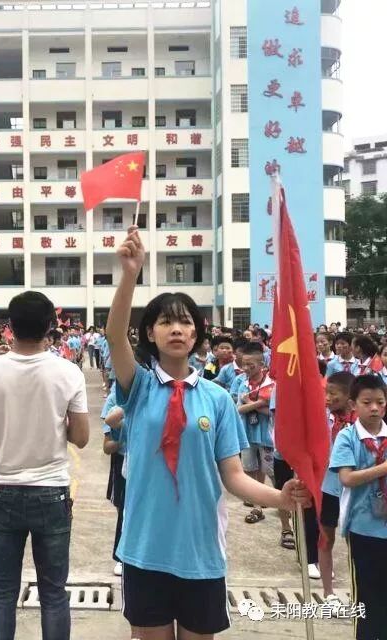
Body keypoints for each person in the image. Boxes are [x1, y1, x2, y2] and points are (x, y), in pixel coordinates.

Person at [105, 226, 310, 639]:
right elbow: (113, 335)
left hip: (201, 552)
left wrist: (279, 497)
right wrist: (130, 274)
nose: (176, 329)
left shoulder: (217, 399)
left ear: (197, 334)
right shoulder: (139, 387)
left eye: (185, 323)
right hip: (145, 550)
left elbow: (233, 476)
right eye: (166, 322)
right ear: (150, 333)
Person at [0, 291, 89, 640]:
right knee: (53, 594)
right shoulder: (67, 372)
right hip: (51, 490)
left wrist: (3, 425)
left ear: (9, 326)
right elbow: (81, 438)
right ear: (51, 327)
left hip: (3, 489)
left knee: (3, 592)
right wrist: (52, 421)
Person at [330, 375, 387, 640]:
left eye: (380, 402)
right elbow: (347, 478)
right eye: (367, 402)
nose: (374, 408)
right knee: (367, 594)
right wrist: (383, 469)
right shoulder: (347, 437)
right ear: (354, 405)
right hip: (363, 529)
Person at [318, 371, 355, 609]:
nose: (328, 398)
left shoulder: (359, 423)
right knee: (326, 538)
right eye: (326, 392)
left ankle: (358, 589)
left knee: (355, 542)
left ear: (349, 396)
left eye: (333, 393)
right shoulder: (322, 418)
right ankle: (328, 592)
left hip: (355, 490)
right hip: (327, 488)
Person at [235, 342, 275, 524]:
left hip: (267, 434)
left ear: (262, 364)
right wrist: (260, 402)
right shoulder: (241, 382)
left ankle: (282, 504)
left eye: (251, 365)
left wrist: (252, 403)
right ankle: (257, 507)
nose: (247, 368)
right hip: (247, 433)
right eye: (244, 364)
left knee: (271, 471)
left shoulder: (271, 384)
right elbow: (238, 409)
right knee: (251, 469)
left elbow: (273, 411)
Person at [101, 383, 126, 577]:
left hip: (151, 460)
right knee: (124, 509)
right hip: (124, 459)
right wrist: (125, 441)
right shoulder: (114, 399)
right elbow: (107, 446)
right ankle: (121, 557)